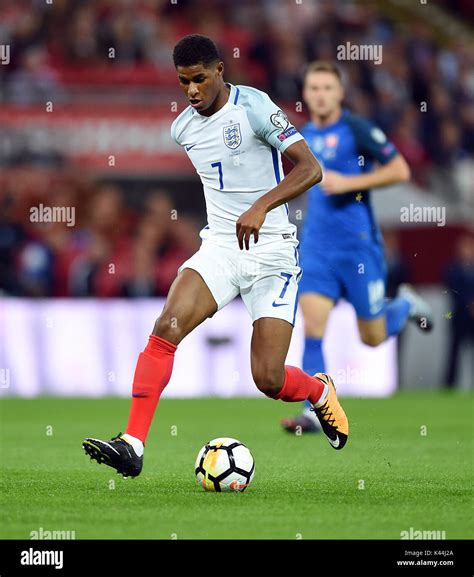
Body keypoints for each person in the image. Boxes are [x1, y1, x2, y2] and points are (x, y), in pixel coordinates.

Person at [83, 35, 349, 477]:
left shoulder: (255, 106)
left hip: (273, 252)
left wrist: (260, 205)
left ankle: (318, 393)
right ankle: (132, 444)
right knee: (166, 326)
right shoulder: (182, 129)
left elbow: (310, 168)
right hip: (223, 248)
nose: (191, 90)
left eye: (200, 79)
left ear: (220, 71)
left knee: (268, 378)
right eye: (184, 81)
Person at [282, 62, 433, 434]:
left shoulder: (356, 129)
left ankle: (406, 304)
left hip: (358, 249)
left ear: (339, 93)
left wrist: (351, 181)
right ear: (305, 94)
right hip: (317, 247)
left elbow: (400, 170)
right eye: (313, 88)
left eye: (327, 88)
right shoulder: (301, 137)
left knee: (373, 336)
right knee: (313, 326)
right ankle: (312, 410)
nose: (320, 94)